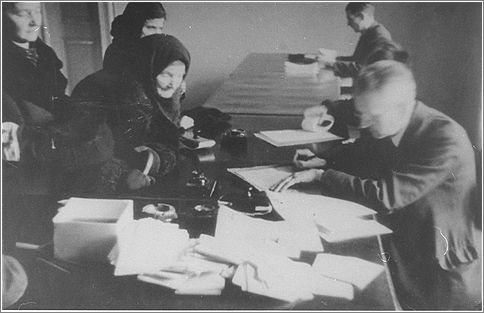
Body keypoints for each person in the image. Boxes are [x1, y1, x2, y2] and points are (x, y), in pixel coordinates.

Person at [272, 60, 481, 310]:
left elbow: (385, 197)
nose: (362, 125)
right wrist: (324, 157)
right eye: (362, 115)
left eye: (372, 118)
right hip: (407, 241)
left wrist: (322, 175)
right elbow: (367, 146)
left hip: (439, 272)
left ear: (403, 109)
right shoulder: (395, 120)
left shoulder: (445, 138)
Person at [71, 34, 191, 192]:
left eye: (180, 76)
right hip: (96, 182)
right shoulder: (103, 91)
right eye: (167, 74)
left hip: (141, 176)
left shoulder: (171, 94)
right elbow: (85, 154)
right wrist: (123, 177)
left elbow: (169, 142)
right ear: (148, 68)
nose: (173, 83)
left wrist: (155, 157)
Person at [103, 2, 167, 76]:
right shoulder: (117, 52)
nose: (157, 33)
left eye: (160, 28)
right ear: (135, 27)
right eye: (151, 28)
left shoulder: (157, 50)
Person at [332, 2, 393, 77]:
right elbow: (355, 59)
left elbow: (365, 68)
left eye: (350, 19)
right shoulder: (368, 33)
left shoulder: (380, 36)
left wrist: (330, 63)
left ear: (361, 16)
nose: (348, 23)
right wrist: (333, 58)